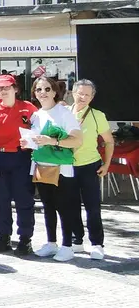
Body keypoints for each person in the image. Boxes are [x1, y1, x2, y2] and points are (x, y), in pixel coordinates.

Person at [25, 77, 83, 262]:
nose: (43, 92)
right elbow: (36, 140)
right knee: (48, 207)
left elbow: (77, 140)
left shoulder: (64, 113)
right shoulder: (37, 114)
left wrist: (53, 141)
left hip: (62, 169)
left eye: (47, 89)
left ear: (55, 91)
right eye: (39, 89)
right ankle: (51, 243)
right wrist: (27, 141)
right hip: (42, 166)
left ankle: (67, 246)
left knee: (64, 207)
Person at [0, 74, 38, 254]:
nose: (3, 92)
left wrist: (31, 142)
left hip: (22, 159)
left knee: (24, 201)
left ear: (15, 89)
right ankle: (3, 238)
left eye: (6, 88)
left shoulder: (28, 109)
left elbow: (40, 133)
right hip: (0, 159)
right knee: (1, 201)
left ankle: (25, 239)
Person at [69, 79, 114, 259]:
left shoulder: (97, 115)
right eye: (80, 93)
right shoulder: (64, 113)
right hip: (68, 166)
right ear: (73, 93)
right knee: (70, 206)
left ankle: (96, 243)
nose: (83, 97)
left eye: (87, 94)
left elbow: (109, 141)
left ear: (92, 97)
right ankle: (76, 241)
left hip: (90, 165)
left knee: (92, 207)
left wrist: (107, 163)